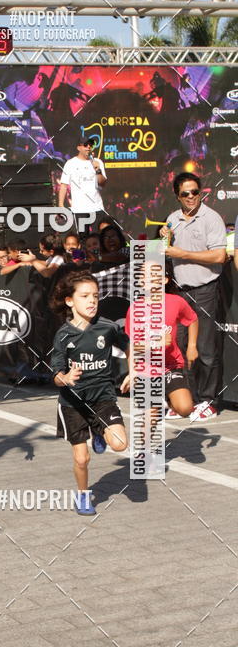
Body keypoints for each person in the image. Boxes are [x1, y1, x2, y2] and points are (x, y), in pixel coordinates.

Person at [50, 270, 132, 516]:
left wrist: (134, 371)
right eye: (84, 296)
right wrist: (65, 378)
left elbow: (129, 345)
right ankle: (83, 496)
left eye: (95, 296)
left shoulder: (107, 327)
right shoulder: (63, 335)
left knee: (120, 444)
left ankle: (99, 431)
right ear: (69, 301)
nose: (92, 301)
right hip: (72, 403)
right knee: (82, 459)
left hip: (102, 398)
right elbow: (55, 374)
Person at [161, 172, 227, 420]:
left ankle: (209, 401)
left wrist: (183, 254)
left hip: (205, 289)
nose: (191, 197)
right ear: (177, 196)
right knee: (178, 348)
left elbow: (219, 256)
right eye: (185, 193)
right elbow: (167, 250)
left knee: (206, 348)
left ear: (201, 192)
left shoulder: (211, 218)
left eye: (195, 192)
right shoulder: (172, 219)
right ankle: (187, 401)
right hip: (179, 292)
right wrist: (164, 240)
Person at [125, 261, 197, 425]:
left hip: (171, 365)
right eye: (143, 274)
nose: (146, 277)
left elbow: (192, 319)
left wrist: (192, 346)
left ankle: (168, 399)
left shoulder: (176, 302)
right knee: (149, 421)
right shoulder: (134, 309)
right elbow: (131, 346)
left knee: (185, 408)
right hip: (146, 368)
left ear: (165, 280)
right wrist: (133, 372)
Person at [58, 137, 107, 227]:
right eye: (85, 145)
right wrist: (61, 205)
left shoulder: (98, 162)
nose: (88, 147)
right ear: (78, 148)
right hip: (79, 210)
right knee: (82, 235)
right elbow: (64, 185)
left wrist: (98, 170)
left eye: (90, 145)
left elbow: (102, 183)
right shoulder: (70, 163)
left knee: (99, 234)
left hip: (97, 208)